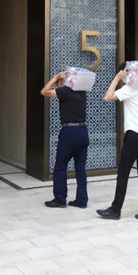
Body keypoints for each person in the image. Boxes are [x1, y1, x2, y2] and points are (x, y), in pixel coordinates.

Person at [96, 63, 138, 222]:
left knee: (123, 173)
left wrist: (116, 78)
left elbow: (108, 97)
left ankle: (115, 210)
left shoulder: (130, 88)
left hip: (134, 135)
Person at [40, 71, 90, 209]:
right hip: (83, 130)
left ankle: (60, 199)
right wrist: (60, 82)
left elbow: (44, 91)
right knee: (80, 167)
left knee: (60, 166)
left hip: (69, 131)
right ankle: (82, 199)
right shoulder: (82, 92)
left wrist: (56, 77)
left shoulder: (65, 91)